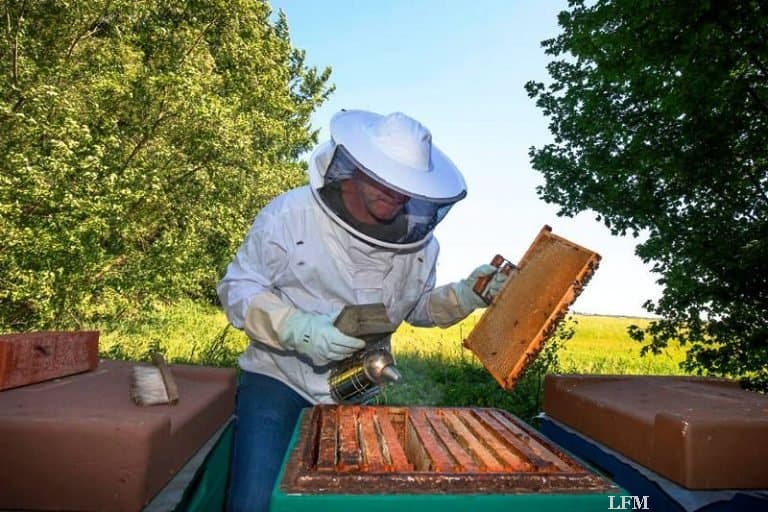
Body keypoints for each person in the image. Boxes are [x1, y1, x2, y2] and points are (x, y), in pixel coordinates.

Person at [217, 109, 510, 512]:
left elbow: (416, 307)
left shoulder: (421, 246)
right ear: (356, 167)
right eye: (386, 181)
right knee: (255, 502)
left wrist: (464, 295)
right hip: (279, 378)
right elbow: (238, 286)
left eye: (406, 188)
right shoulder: (291, 215)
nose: (396, 196)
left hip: (356, 388)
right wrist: (297, 328)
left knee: (338, 504)